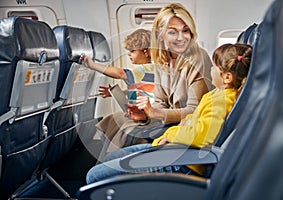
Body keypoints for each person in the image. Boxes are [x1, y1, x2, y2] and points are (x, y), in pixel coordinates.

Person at [85, 43, 253, 184]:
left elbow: (204, 135)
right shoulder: (215, 94)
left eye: (215, 68)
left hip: (184, 161)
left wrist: (171, 134)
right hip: (175, 149)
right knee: (111, 157)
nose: (210, 70)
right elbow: (192, 121)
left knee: (93, 176)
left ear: (227, 78)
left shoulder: (223, 101)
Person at [93, 3, 213, 155]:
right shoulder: (163, 58)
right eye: (173, 32)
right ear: (160, 35)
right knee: (119, 119)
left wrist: (155, 113)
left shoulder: (198, 58)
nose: (181, 38)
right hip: (169, 118)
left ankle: (112, 172)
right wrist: (146, 114)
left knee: (128, 130)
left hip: (187, 124)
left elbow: (195, 110)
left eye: (185, 30)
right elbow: (160, 100)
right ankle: (108, 171)